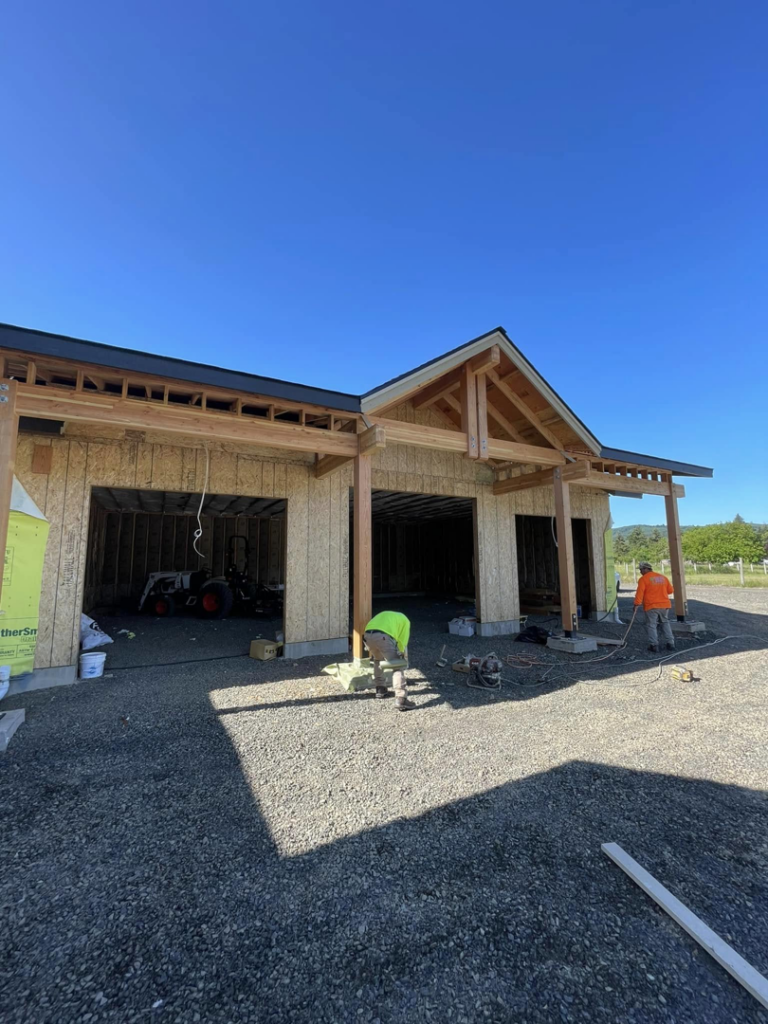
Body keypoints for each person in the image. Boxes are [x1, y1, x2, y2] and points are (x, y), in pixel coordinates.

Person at [363, 610, 416, 711]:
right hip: (383, 636)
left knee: (378, 660)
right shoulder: (406, 621)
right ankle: (401, 698)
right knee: (396, 665)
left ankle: (380, 689)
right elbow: (402, 641)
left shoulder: (388, 616)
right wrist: (401, 656)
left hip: (368, 635)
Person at [634, 562, 675, 653]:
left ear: (646, 569)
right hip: (664, 605)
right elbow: (670, 590)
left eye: (641, 570)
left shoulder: (643, 579)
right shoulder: (663, 577)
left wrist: (636, 604)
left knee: (651, 625)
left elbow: (639, 593)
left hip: (651, 606)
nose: (640, 572)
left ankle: (654, 645)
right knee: (665, 623)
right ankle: (671, 643)